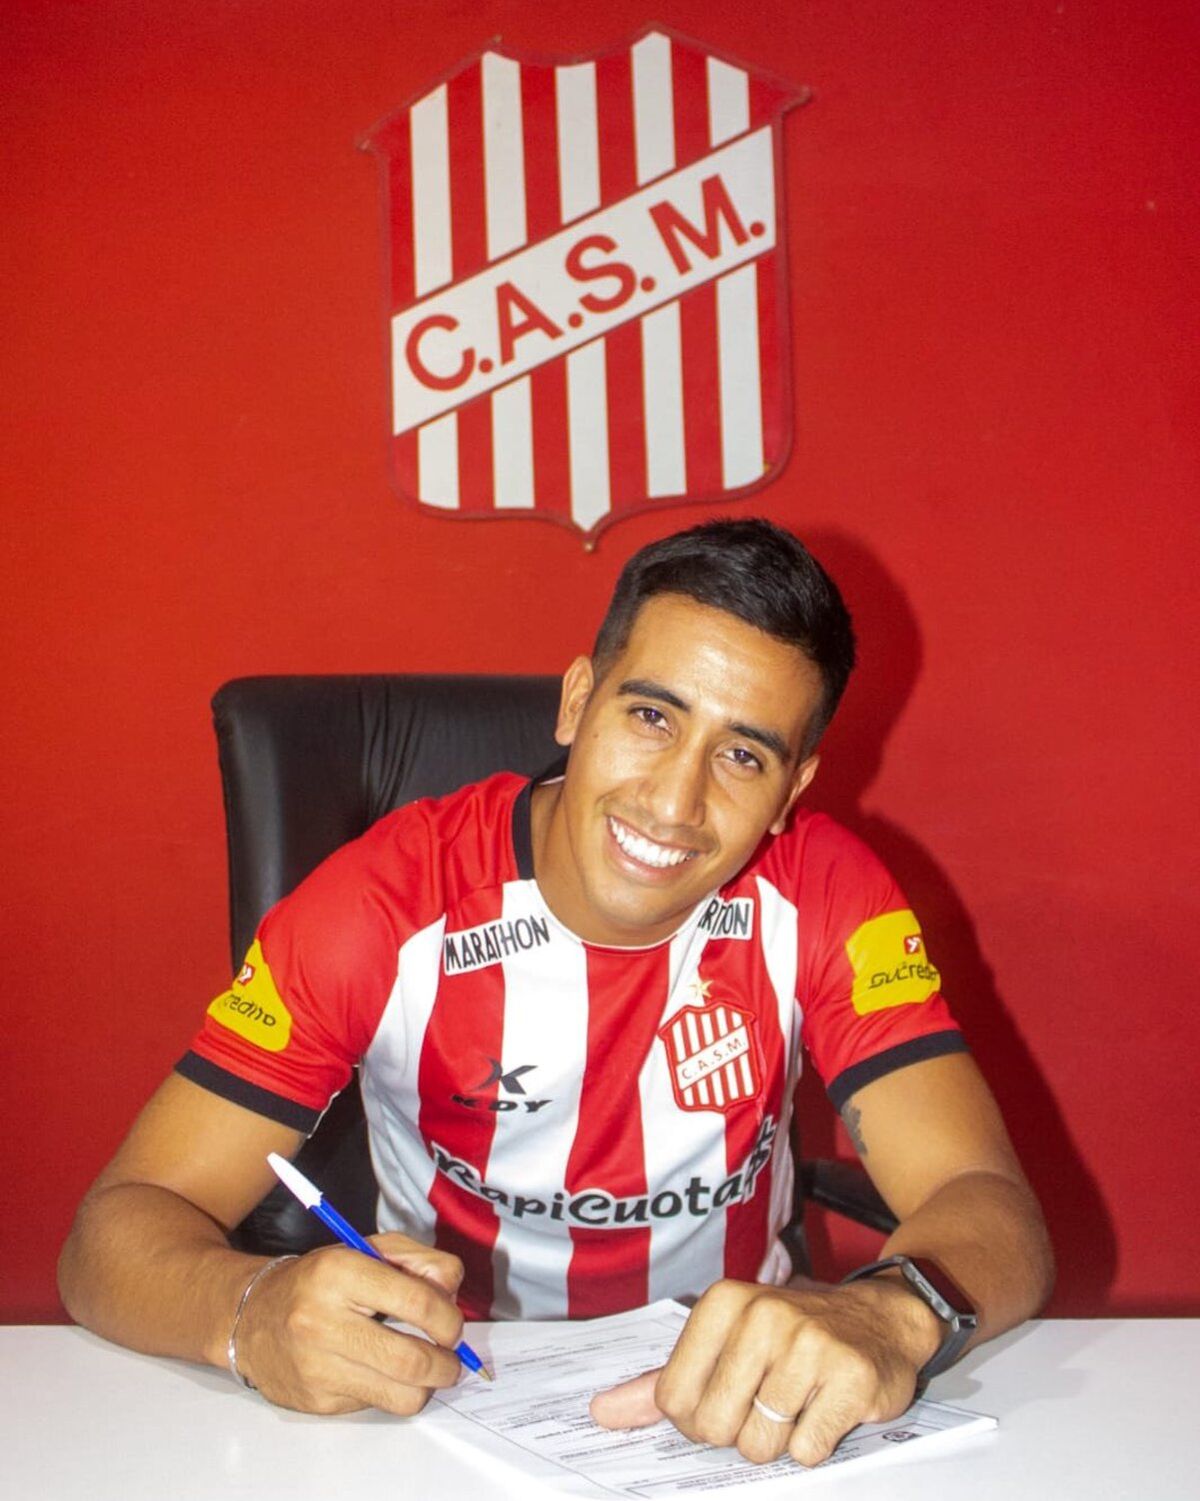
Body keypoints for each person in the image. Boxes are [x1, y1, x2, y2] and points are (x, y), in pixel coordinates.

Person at [58, 518, 1053, 1468]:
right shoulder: (380, 906)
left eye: (743, 755)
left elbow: (986, 1201)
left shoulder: (827, 892)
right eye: (651, 716)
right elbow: (113, 1233)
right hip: (436, 1390)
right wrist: (250, 1310)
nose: (675, 800)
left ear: (792, 791)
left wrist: (889, 1311)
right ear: (578, 703)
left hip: (738, 1404)